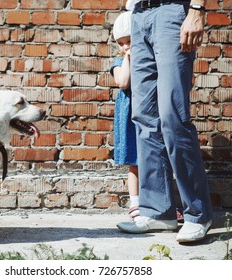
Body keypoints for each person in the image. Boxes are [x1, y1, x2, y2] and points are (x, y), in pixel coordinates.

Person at [117, 0, 212, 243]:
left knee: (173, 116)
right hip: (138, 15)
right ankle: (158, 211)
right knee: (145, 118)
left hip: (170, 10)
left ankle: (197, 214)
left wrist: (197, 9)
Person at [110, 11, 140, 221]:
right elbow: (123, 82)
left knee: (154, 159)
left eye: (129, 41)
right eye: (121, 43)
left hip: (147, 111)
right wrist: (128, 57)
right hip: (129, 113)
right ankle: (136, 203)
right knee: (135, 160)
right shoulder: (118, 63)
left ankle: (157, 202)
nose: (125, 46)